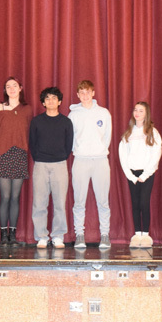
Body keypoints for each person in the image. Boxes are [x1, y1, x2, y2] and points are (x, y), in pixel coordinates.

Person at [68, 80, 113, 250]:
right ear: (78, 95)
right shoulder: (74, 114)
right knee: (79, 201)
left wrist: (98, 151)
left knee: (103, 201)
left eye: (88, 92)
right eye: (82, 93)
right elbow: (71, 139)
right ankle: (79, 234)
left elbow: (107, 137)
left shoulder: (104, 113)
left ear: (93, 93)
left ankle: (105, 234)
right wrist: (80, 151)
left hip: (100, 160)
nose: (85, 96)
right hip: (80, 160)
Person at [0, 77, 32, 246]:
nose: (12, 88)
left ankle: (12, 233)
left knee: (15, 197)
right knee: (5, 196)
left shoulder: (27, 109)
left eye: (15, 85)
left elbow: (29, 132)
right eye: (8, 86)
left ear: (20, 88)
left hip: (19, 154)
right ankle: (2, 234)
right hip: (2, 154)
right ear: (5, 90)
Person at [30, 87, 74, 249]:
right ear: (43, 102)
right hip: (40, 165)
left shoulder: (66, 122)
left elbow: (68, 145)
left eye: (54, 98)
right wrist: (40, 158)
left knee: (60, 203)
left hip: (60, 165)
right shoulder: (36, 121)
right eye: (47, 98)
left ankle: (58, 235)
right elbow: (32, 144)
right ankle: (41, 236)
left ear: (60, 101)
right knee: (39, 203)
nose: (51, 101)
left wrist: (60, 156)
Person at [118, 101, 162, 248]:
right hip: (133, 174)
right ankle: (137, 234)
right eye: (135, 110)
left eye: (141, 111)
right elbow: (123, 156)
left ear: (146, 113)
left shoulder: (152, 132)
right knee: (135, 203)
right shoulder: (128, 134)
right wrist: (131, 175)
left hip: (147, 174)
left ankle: (146, 234)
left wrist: (145, 174)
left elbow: (156, 154)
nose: (137, 113)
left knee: (144, 202)